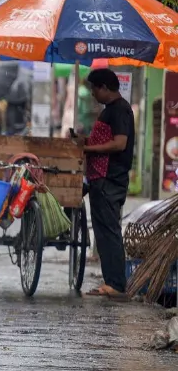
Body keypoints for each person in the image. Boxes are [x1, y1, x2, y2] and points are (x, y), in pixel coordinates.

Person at [82, 68, 134, 299]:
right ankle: (110, 282)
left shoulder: (120, 110)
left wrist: (88, 148)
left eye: (94, 88)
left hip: (110, 179)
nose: (93, 94)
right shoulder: (110, 110)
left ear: (104, 87)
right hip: (101, 178)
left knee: (109, 230)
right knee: (102, 231)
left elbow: (119, 143)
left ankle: (115, 284)